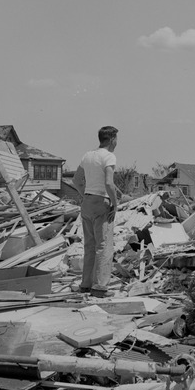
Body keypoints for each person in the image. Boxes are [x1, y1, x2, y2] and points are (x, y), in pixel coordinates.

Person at [74, 126, 127, 297]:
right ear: (112, 139)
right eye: (116, 139)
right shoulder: (109, 156)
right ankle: (100, 287)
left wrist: (85, 196)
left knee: (89, 246)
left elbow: (76, 180)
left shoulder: (87, 155)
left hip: (87, 202)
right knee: (103, 247)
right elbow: (109, 183)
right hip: (101, 203)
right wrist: (115, 203)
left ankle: (85, 284)